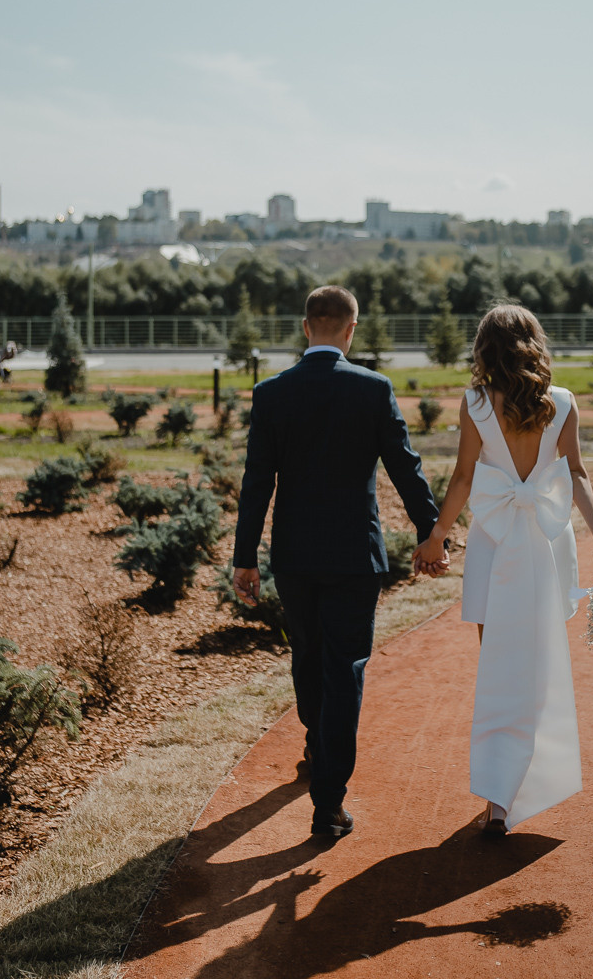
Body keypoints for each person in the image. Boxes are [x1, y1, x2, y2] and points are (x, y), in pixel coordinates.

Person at [233, 285, 446, 839]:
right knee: (344, 667)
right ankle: (328, 803)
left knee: (307, 656)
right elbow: (405, 466)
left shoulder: (271, 392)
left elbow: (257, 481)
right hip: (354, 554)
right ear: (351, 330)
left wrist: (244, 557)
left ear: (306, 327)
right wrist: (432, 532)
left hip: (295, 556)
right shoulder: (373, 388)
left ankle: (316, 742)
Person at [414, 304, 593, 836]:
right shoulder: (563, 402)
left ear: (485, 349)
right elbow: (577, 474)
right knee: (539, 665)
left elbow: (463, 478)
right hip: (547, 543)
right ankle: (524, 783)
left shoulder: (477, 404)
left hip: (495, 542)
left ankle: (499, 801)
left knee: (499, 668)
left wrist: (437, 536)